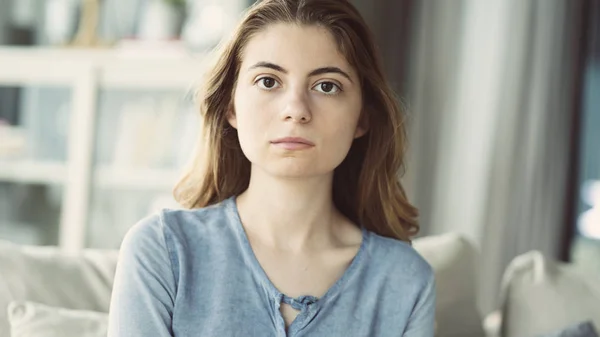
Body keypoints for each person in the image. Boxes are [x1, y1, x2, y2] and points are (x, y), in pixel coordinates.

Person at [107, 0, 436, 336]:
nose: (296, 110)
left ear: (362, 117)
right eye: (268, 81)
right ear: (230, 106)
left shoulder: (405, 282)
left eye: (326, 86)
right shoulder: (161, 250)